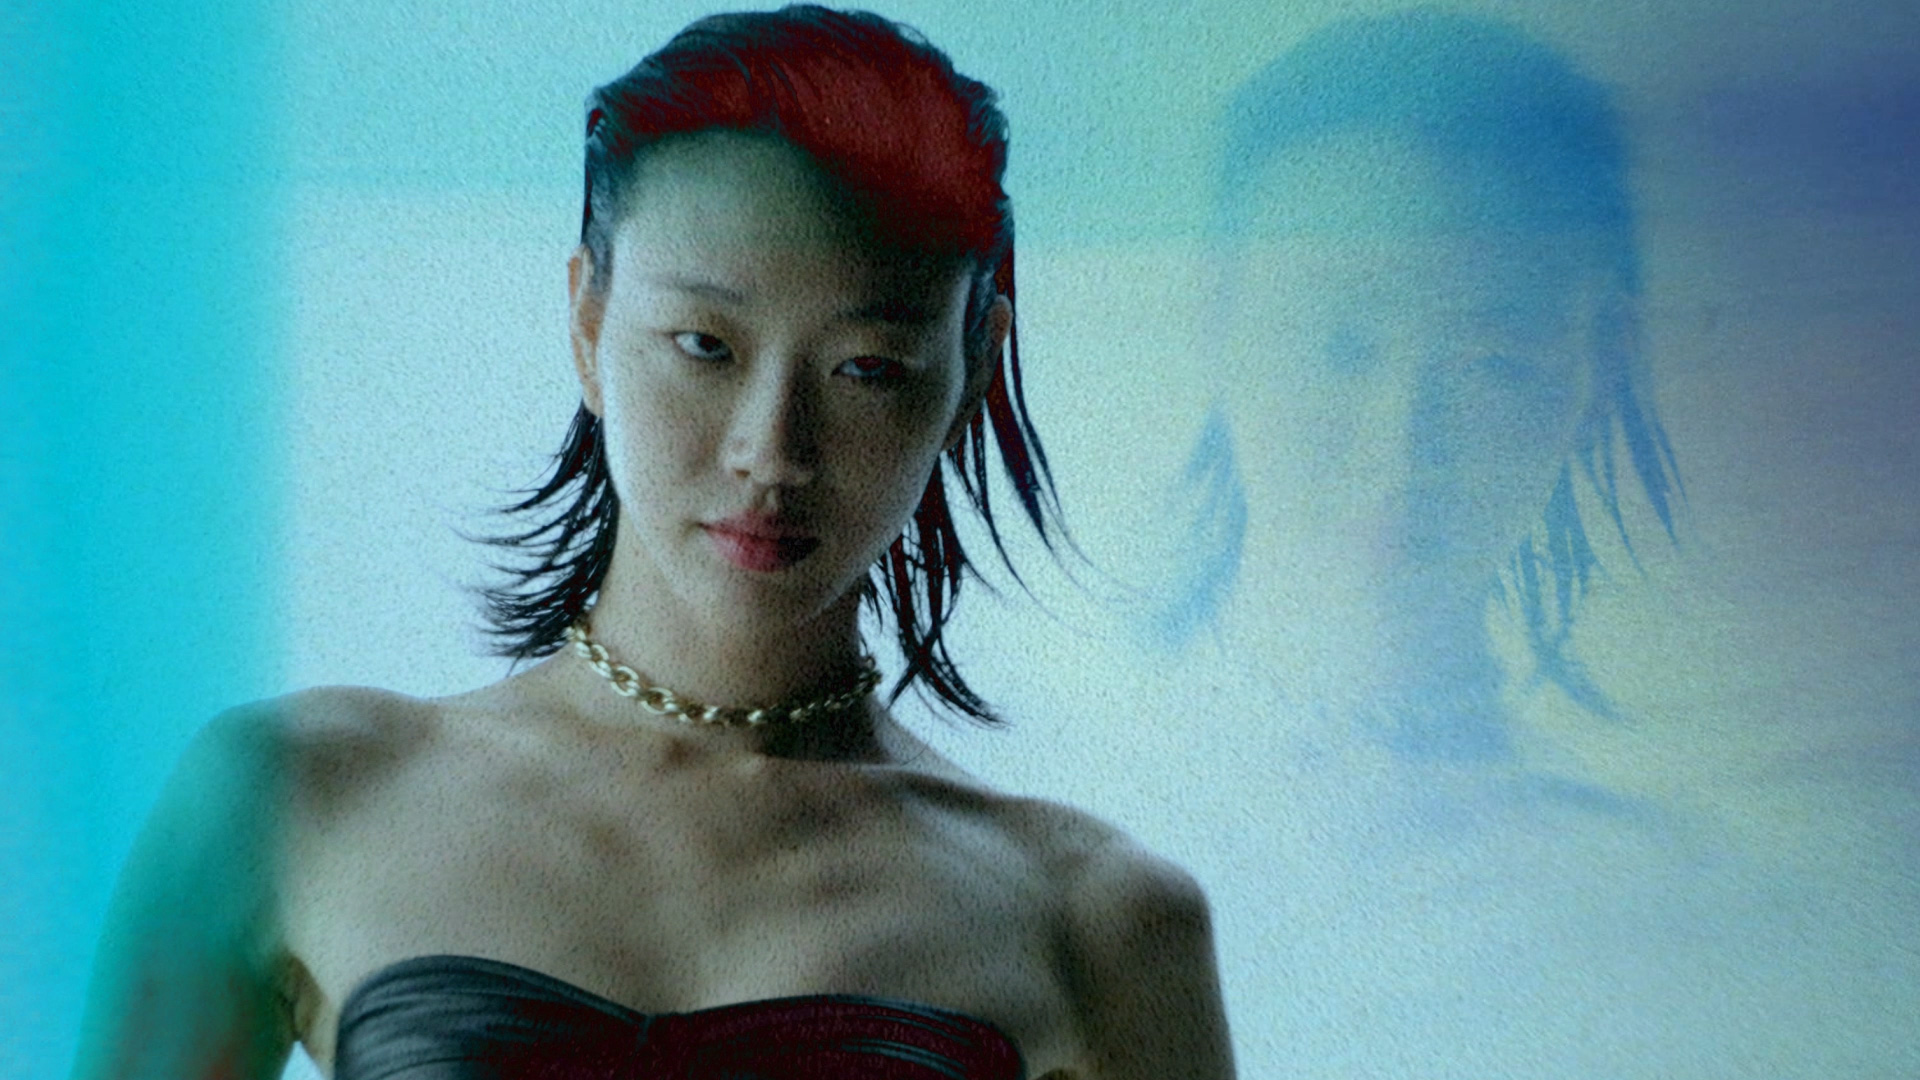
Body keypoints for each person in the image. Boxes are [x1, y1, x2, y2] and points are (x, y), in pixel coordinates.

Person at [67, 8, 1235, 1080]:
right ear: (589, 322)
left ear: (971, 371)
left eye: (866, 367)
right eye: (704, 346)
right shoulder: (291, 799)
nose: (771, 450)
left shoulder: (1097, 922)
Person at [1160, 10, 1680, 772]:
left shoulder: (1631, 841)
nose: (1401, 444)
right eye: (1341, 349)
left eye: (1491, 364)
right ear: (1216, 317)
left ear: (1600, 365)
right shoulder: (1062, 762)